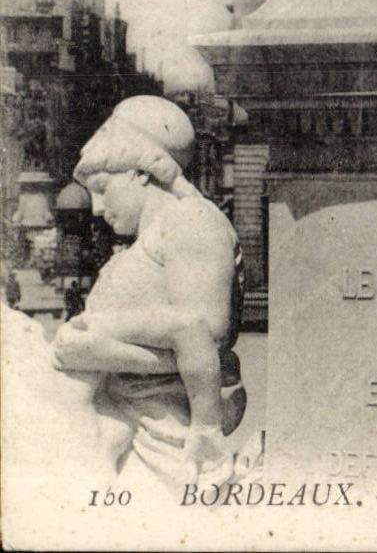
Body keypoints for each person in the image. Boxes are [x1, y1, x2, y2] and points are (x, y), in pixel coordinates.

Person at [51, 96, 246, 491]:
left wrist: (98, 345)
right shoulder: (145, 240)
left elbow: (206, 336)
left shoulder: (191, 219)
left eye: (103, 189)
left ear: (141, 173)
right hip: (122, 420)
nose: (97, 209)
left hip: (164, 431)